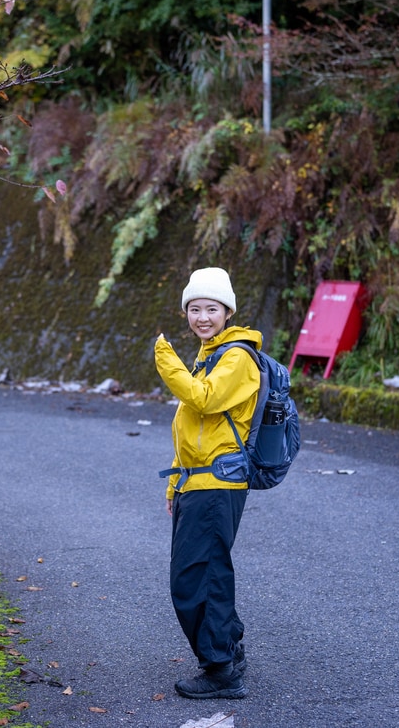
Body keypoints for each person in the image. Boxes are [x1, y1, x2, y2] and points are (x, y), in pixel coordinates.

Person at [154, 266, 262, 700]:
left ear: (228, 311)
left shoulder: (236, 357)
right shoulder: (209, 354)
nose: (202, 316)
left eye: (211, 308)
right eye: (194, 308)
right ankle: (229, 649)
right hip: (195, 484)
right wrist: (173, 486)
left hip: (218, 486)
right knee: (204, 573)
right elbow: (193, 431)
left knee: (196, 578)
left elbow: (203, 399)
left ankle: (220, 670)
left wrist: (166, 360)